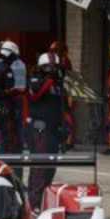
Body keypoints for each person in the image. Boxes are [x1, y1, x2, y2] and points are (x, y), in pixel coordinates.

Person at [26, 52, 66, 210]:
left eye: (55, 67)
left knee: (51, 167)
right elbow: (35, 96)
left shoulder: (58, 84)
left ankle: (44, 201)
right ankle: (34, 204)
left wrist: (65, 125)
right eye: (50, 67)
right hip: (39, 129)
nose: (53, 70)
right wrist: (49, 81)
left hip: (54, 129)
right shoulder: (36, 80)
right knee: (39, 167)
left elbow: (62, 106)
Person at [0, 40, 26, 155]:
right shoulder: (14, 67)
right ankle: (12, 155)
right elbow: (19, 88)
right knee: (12, 132)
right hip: (10, 103)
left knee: (3, 132)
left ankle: (3, 153)